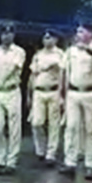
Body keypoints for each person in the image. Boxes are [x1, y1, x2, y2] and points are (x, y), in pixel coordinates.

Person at [61, 22, 92, 181]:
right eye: (77, 31)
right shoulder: (71, 50)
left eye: (81, 32)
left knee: (91, 130)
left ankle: (90, 164)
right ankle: (70, 163)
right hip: (73, 92)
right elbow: (65, 72)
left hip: (91, 93)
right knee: (71, 127)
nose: (78, 34)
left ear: (90, 34)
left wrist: (86, 49)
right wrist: (63, 92)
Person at [0, 24, 26, 175]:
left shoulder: (19, 52)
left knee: (14, 128)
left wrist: (1, 80)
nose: (6, 36)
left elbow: (14, 68)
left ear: (13, 35)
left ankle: (11, 162)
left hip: (12, 90)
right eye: (3, 33)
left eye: (9, 33)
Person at [28, 30, 64, 167]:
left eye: (50, 37)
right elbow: (33, 75)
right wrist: (30, 94)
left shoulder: (60, 54)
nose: (47, 40)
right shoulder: (38, 55)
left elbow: (63, 73)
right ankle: (40, 150)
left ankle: (51, 154)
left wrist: (62, 94)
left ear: (55, 39)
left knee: (53, 124)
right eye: (45, 38)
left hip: (53, 90)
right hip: (39, 91)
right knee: (37, 122)